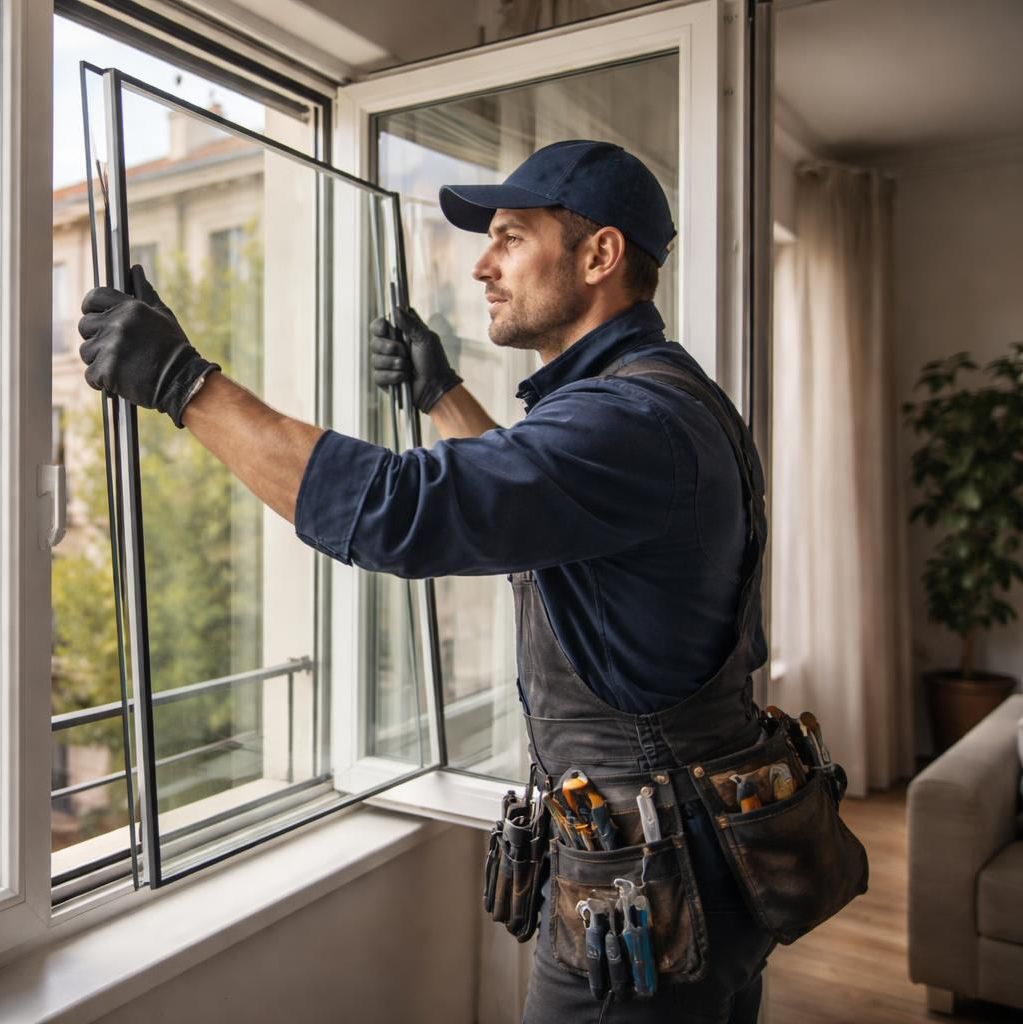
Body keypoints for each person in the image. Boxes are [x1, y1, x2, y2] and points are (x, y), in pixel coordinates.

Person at [78, 140, 779, 1022]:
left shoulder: (629, 419)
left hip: (651, 886)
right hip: (714, 849)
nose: (483, 265)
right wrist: (441, 390)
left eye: (512, 238)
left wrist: (186, 383)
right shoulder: (664, 395)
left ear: (600, 255)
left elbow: (396, 511)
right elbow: (545, 518)